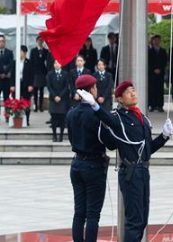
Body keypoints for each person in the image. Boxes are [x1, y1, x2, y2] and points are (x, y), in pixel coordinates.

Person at [76, 81, 172, 242]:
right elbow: (107, 119)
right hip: (130, 172)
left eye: (133, 90)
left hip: (143, 171)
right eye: (128, 92)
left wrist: (164, 136)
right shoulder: (118, 117)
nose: (133, 94)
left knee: (142, 220)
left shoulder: (142, 118)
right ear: (120, 99)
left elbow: (147, 149)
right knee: (134, 221)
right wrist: (95, 106)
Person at [67, 74, 109, 242]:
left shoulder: (71, 113)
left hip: (77, 163)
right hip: (93, 165)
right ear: (91, 90)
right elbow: (110, 142)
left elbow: (71, 138)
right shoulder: (95, 114)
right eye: (95, 87)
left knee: (79, 213)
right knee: (92, 215)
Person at [47, 60, 70, 141]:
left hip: (62, 99)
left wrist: (60, 96)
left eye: (58, 63)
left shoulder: (65, 74)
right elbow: (49, 86)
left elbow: (66, 86)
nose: (57, 64)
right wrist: (54, 96)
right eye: (55, 63)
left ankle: (61, 136)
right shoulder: (50, 74)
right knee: (54, 118)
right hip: (53, 99)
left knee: (62, 118)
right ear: (53, 65)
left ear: (61, 64)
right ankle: (54, 135)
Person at [147, 35, 167, 112]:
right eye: (155, 40)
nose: (156, 41)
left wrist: (160, 69)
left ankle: (160, 106)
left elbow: (165, 62)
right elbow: (148, 62)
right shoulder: (149, 51)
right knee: (152, 89)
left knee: (160, 90)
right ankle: (152, 105)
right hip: (152, 73)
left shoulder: (163, 51)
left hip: (160, 73)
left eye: (158, 40)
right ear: (153, 41)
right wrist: (154, 69)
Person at [30, 36, 49, 113]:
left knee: (41, 90)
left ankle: (41, 106)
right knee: (35, 90)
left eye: (41, 41)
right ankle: (35, 106)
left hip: (42, 72)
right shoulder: (33, 50)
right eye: (39, 41)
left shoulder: (45, 51)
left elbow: (47, 61)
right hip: (35, 72)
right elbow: (31, 61)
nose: (40, 42)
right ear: (36, 41)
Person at [0, 35, 14, 106]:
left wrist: (4, 73)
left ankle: (7, 111)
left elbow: (10, 64)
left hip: (6, 78)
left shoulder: (9, 52)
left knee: (6, 98)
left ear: (5, 42)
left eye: (2, 41)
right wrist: (0, 73)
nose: (1, 43)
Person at [18, 45, 34, 124]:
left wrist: (31, 85)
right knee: (17, 101)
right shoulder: (15, 62)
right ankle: (17, 117)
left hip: (26, 85)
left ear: (24, 53)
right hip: (18, 84)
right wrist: (12, 85)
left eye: (21, 51)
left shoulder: (29, 62)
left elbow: (32, 75)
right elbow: (13, 75)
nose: (19, 53)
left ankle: (26, 119)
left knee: (26, 102)